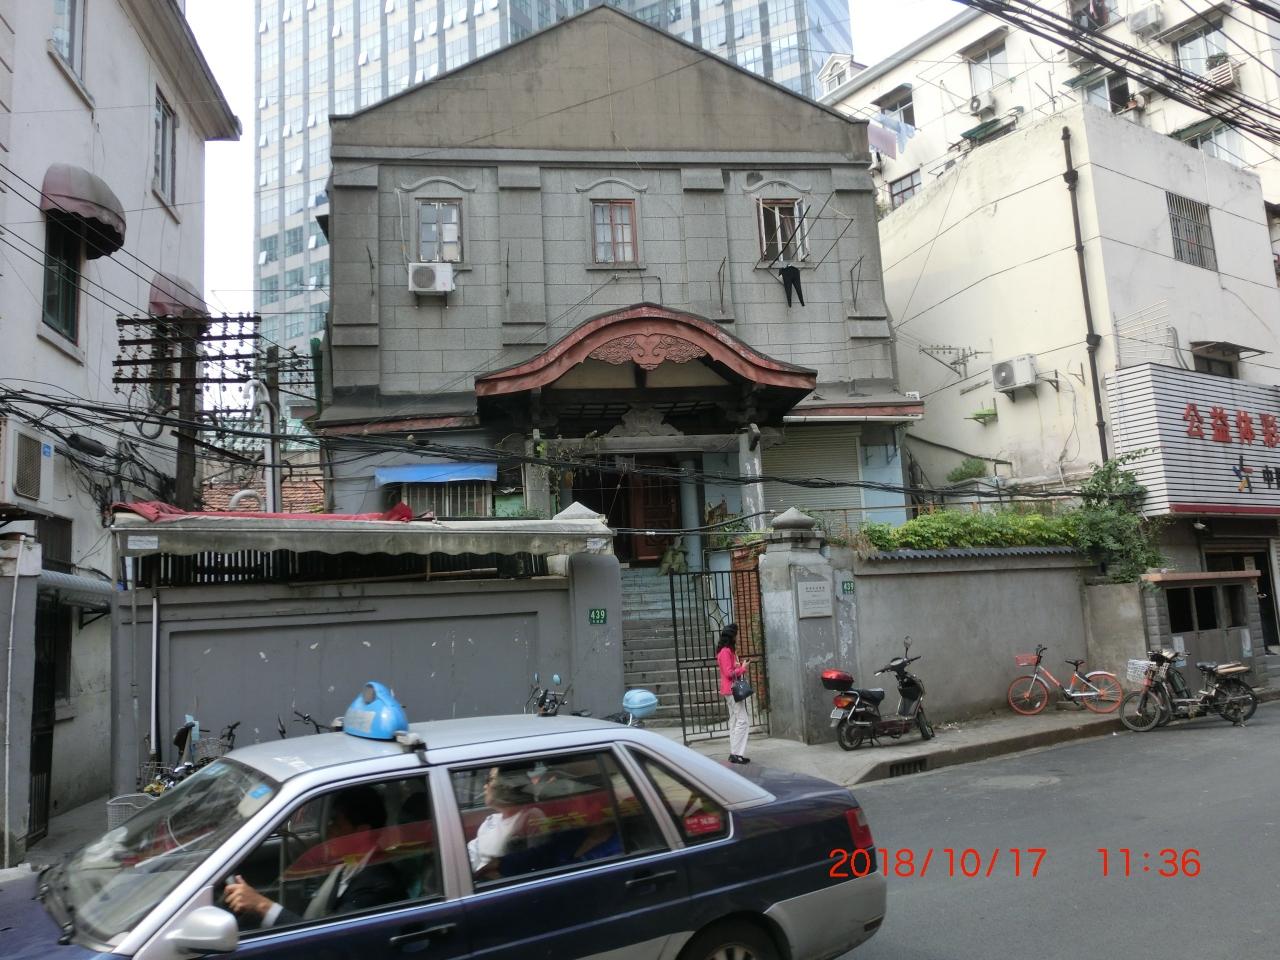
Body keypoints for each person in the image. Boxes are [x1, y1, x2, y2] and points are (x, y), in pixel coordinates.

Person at [224, 786, 401, 928]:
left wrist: (262, 905)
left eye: (337, 825)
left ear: (362, 833)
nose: (329, 831)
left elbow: (329, 941)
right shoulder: (352, 863)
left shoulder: (376, 887)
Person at [467, 767, 546, 876]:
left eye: (490, 780)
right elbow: (471, 853)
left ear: (508, 785)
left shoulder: (530, 816)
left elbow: (535, 861)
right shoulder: (491, 820)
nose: (485, 786)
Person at [716, 623, 751, 764]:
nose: (737, 637)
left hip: (730, 690)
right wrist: (742, 668)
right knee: (743, 721)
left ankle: (735, 753)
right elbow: (729, 673)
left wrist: (739, 665)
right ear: (731, 636)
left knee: (735, 721)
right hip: (732, 690)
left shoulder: (728, 651)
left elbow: (730, 669)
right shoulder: (725, 651)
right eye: (736, 635)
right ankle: (736, 754)